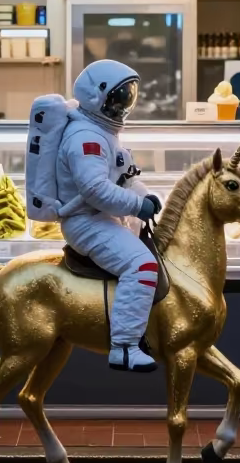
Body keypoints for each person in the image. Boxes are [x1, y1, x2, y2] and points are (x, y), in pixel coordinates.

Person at [56, 59, 162, 372]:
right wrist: (136, 206)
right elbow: (95, 190)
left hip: (100, 216)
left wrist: (144, 196)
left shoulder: (101, 131)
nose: (123, 107)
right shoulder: (85, 138)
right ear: (97, 98)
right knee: (141, 265)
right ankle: (124, 348)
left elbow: (122, 175)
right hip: (85, 222)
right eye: (119, 99)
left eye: (128, 98)